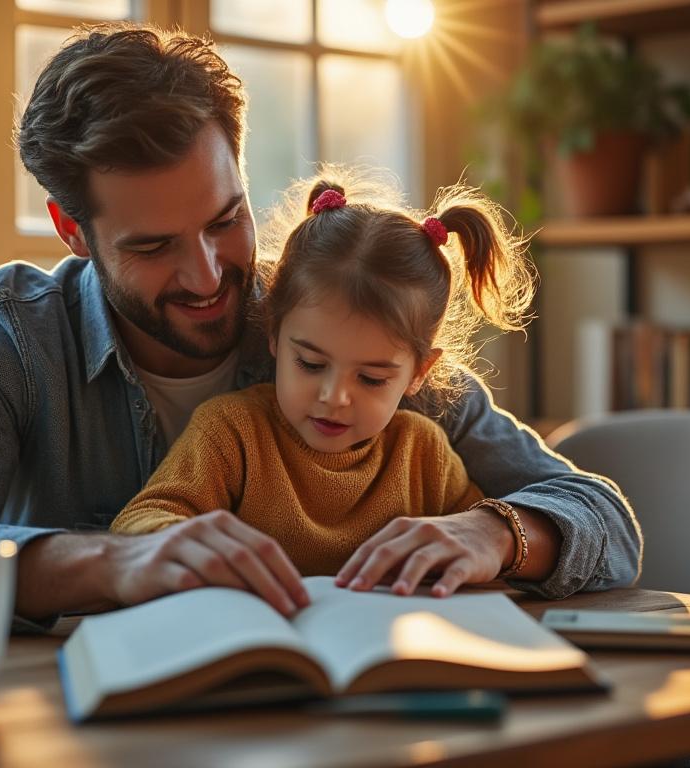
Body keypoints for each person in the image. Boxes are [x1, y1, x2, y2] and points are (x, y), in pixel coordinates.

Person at [0, 22, 642, 637]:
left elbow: (600, 518)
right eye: (152, 246)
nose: (210, 276)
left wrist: (492, 531)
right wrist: (110, 559)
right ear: (71, 229)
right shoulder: (18, 336)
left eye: (226, 220)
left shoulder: (337, 316)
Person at [113, 171, 538, 598]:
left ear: (419, 373)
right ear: (274, 335)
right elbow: (142, 521)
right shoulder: (231, 432)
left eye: (372, 378)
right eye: (311, 364)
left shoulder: (426, 457)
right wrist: (191, 546)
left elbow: (478, 555)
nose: (333, 397)